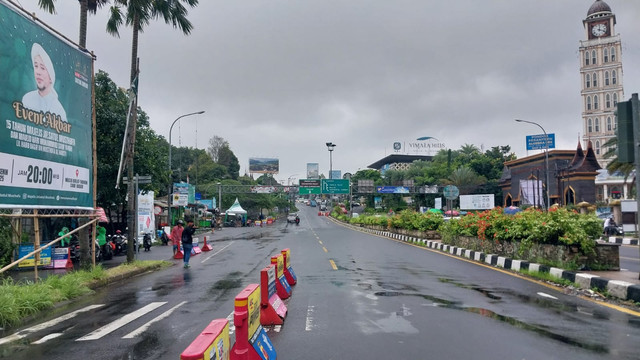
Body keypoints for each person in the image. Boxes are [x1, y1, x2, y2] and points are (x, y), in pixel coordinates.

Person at [21, 43, 67, 122]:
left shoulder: (59, 110)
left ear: (51, 77)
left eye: (42, 68)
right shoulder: (27, 99)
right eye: (36, 66)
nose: (38, 72)